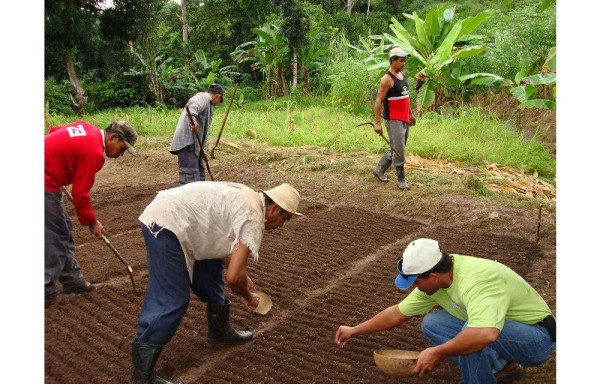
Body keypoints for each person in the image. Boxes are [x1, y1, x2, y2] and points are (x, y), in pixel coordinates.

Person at [131, 181, 302, 384]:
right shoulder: (254, 218)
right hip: (166, 224)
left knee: (210, 272)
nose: (281, 226)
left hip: (175, 214)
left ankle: (219, 332)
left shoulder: (249, 197)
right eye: (285, 219)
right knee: (172, 299)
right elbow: (233, 278)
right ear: (274, 209)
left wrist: (244, 278)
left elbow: (221, 244)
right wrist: (249, 297)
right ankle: (142, 376)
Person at [335, 238, 556, 384]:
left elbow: (484, 334)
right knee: (433, 323)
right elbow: (396, 313)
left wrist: (439, 351)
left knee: (472, 337)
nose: (414, 287)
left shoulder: (478, 281)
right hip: (500, 329)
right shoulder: (437, 283)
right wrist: (353, 330)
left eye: (415, 281)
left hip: (536, 339)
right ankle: (505, 367)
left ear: (432, 276)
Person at [45, 120, 138, 308]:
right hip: (45, 183)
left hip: (49, 178)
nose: (120, 155)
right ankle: (45, 292)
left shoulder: (87, 128)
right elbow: (80, 194)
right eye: (122, 148)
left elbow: (54, 131)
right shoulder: (95, 152)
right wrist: (92, 222)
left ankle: (73, 282)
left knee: (64, 229)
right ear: (113, 137)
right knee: (55, 237)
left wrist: (56, 161)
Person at [372, 47, 416, 189]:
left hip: (404, 118)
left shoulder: (402, 75)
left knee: (397, 147)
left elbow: (405, 97)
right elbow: (378, 102)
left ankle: (379, 170)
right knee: (399, 150)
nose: (404, 63)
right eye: (401, 61)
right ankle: (401, 180)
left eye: (405, 60)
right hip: (393, 119)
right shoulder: (386, 79)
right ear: (393, 61)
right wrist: (377, 123)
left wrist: (410, 113)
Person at [170, 83, 224, 184]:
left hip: (195, 146)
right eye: (219, 101)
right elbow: (192, 107)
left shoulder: (208, 103)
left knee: (199, 175)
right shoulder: (203, 97)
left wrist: (202, 152)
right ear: (218, 96)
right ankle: (189, 199)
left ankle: (200, 198)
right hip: (188, 144)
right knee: (190, 177)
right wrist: (193, 122)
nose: (217, 103)